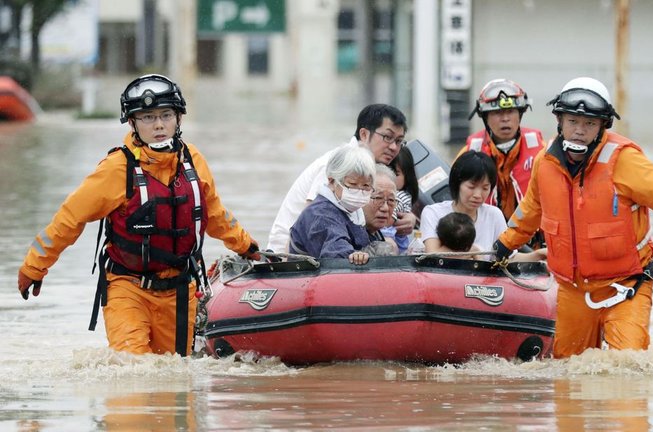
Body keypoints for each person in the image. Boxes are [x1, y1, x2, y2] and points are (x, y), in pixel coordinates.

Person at [16, 74, 261, 357]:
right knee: (132, 376)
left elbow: (215, 214)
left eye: (166, 115)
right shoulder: (116, 169)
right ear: (132, 122)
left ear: (178, 118)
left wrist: (248, 248)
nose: (158, 125)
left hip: (180, 290)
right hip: (127, 287)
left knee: (174, 380)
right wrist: (34, 267)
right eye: (147, 117)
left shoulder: (194, 161)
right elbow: (70, 219)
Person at [493, 76, 653, 359]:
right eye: (573, 121)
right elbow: (529, 210)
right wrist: (504, 244)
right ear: (559, 121)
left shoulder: (625, 161)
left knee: (629, 369)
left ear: (603, 126)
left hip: (626, 287)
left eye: (589, 124)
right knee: (568, 379)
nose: (579, 131)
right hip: (573, 291)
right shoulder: (544, 163)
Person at [267, 104, 415, 254]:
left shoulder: (371, 167)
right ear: (364, 134)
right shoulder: (338, 165)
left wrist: (402, 219)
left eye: (399, 141)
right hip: (289, 257)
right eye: (388, 138)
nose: (394, 148)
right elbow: (313, 221)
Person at [420, 151, 546, 262]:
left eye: (485, 188)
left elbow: (507, 259)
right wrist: (472, 251)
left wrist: (537, 255)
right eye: (471, 187)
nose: (478, 195)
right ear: (457, 184)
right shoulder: (433, 212)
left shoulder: (494, 215)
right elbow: (433, 255)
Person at [459, 79, 546, 221]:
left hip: (533, 239)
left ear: (520, 114)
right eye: (497, 112)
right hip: (482, 237)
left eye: (511, 111)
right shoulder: (469, 153)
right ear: (485, 117)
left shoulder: (541, 150)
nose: (505, 118)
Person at [288, 145, 376, 265]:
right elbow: (336, 252)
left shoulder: (352, 211)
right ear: (332, 181)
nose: (359, 191)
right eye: (352, 184)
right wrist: (355, 256)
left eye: (366, 186)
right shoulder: (320, 214)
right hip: (308, 278)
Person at [382, 146, 419, 254]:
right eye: (386, 170)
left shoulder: (400, 196)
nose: (389, 177)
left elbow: (387, 221)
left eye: (395, 173)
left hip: (393, 241)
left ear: (407, 177)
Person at [361, 164, 400, 257]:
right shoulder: (349, 236)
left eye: (391, 200)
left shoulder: (376, 233)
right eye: (378, 198)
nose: (385, 208)